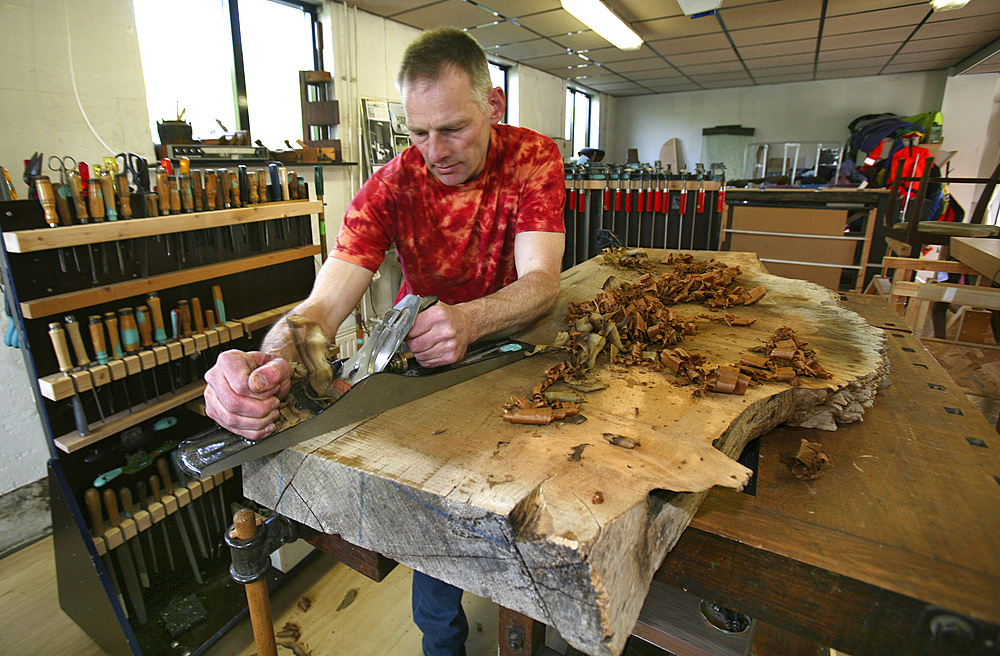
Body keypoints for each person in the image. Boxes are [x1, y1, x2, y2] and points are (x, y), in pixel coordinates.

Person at [203, 27, 566, 656]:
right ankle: (441, 643)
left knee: (528, 524)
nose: (435, 151)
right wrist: (273, 357)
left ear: (495, 107)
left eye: (453, 128)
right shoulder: (392, 184)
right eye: (418, 133)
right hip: (428, 363)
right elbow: (324, 304)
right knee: (434, 527)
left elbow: (541, 282)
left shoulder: (534, 158)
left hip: (513, 353)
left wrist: (474, 320)